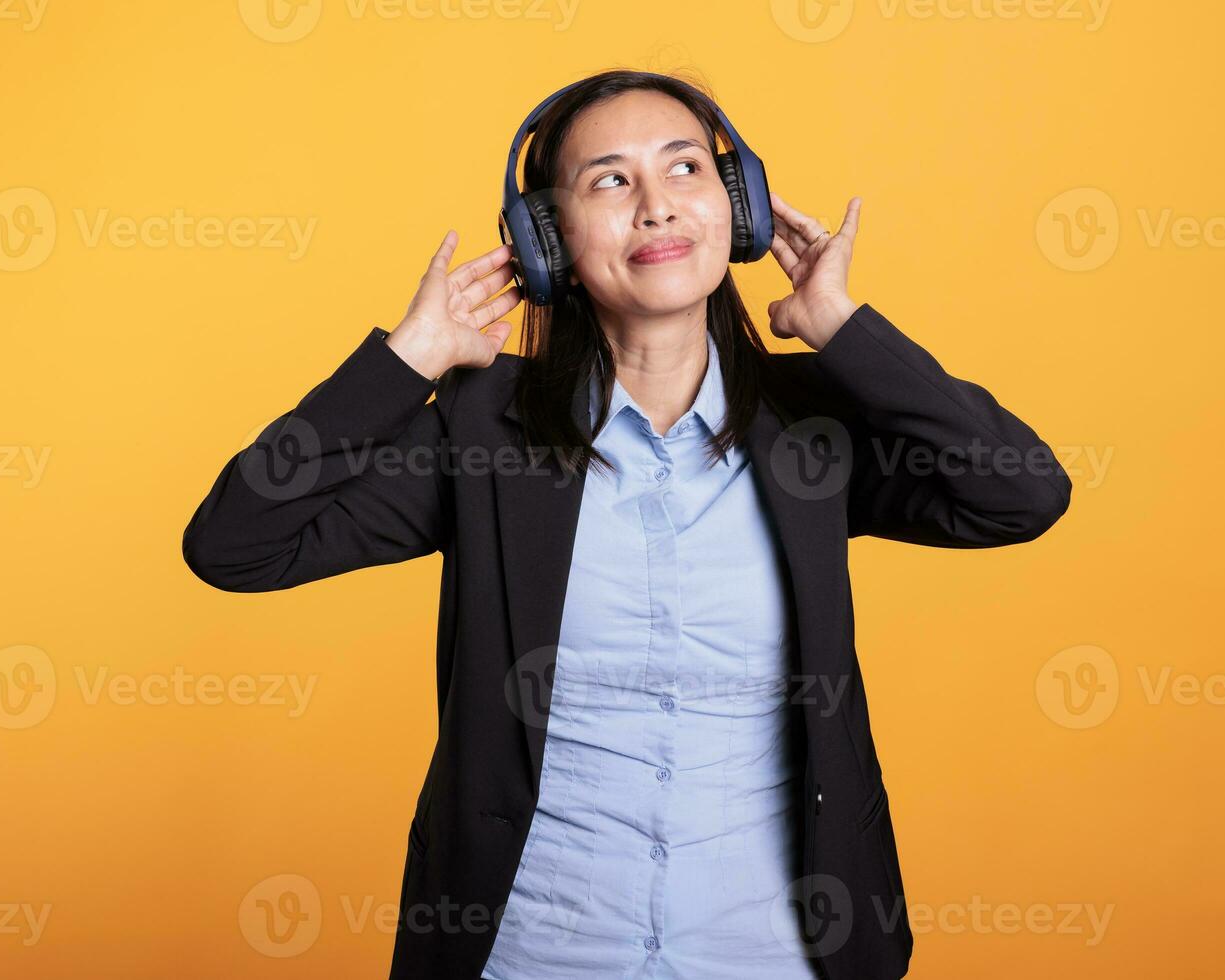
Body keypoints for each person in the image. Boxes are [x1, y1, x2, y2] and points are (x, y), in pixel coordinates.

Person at [182, 68, 1071, 980]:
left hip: (776, 954)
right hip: (532, 956)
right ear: (548, 240)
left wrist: (843, 326)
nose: (656, 207)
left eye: (685, 169)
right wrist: (410, 359)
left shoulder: (814, 428)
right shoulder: (483, 429)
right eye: (609, 180)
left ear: (740, 206)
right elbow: (235, 544)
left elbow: (1021, 492)